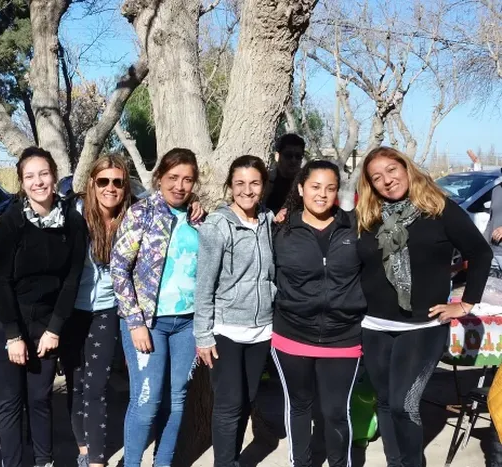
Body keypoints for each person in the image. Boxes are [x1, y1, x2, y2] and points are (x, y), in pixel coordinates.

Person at [356, 147, 492, 467]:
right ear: (371, 185)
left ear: (406, 168)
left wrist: (466, 304)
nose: (387, 181)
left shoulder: (439, 209)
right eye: (377, 178)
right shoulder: (368, 216)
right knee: (386, 403)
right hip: (374, 326)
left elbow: (480, 253)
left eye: (392, 170)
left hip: (422, 326)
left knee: (406, 404)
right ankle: (395, 462)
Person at [0, 146, 87, 467]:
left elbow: (72, 279)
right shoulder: (11, 222)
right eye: (30, 176)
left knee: (40, 399)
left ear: (54, 177)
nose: (38, 182)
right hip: (10, 323)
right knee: (10, 404)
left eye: (43, 174)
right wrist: (13, 336)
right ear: (21, 182)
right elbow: (1, 280)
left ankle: (45, 461)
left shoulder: (72, 222)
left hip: (47, 327)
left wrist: (54, 329)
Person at [270, 160, 366, 467]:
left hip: (344, 338)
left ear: (338, 191)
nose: (322, 194)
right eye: (315, 187)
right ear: (300, 189)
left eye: (330, 188)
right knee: (299, 407)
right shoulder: (280, 229)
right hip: (292, 335)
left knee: (336, 412)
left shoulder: (356, 227)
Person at [111, 147, 202, 467]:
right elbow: (118, 268)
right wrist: (135, 322)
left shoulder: (198, 218)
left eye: (187, 179)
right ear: (159, 177)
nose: (180, 185)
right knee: (147, 401)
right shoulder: (142, 213)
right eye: (173, 177)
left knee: (176, 402)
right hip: (148, 323)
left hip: (187, 324)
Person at [194, 155, 275, 467]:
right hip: (225, 330)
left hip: (261, 331)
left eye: (254, 183)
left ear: (263, 186)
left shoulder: (267, 219)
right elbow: (204, 285)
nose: (247, 190)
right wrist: (203, 335)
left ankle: (232, 461)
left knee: (247, 402)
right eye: (240, 183)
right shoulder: (217, 225)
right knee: (228, 405)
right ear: (230, 186)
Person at [59, 154, 131, 467]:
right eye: (103, 181)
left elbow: (166, 201)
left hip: (107, 310)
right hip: (71, 311)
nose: (110, 188)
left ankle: (98, 461)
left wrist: (195, 201)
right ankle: (84, 453)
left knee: (97, 387)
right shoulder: (74, 214)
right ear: (92, 183)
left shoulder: (132, 215)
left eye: (117, 182)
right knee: (76, 385)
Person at [264, 133, 306, 215]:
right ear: (277, 156)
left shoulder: (307, 183)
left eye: (298, 156)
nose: (293, 160)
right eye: (288, 155)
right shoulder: (265, 182)